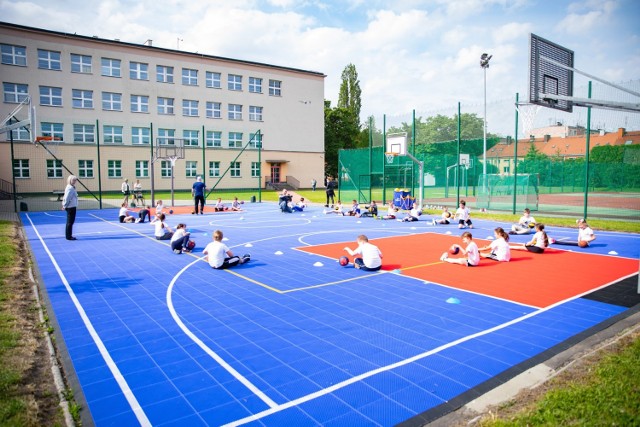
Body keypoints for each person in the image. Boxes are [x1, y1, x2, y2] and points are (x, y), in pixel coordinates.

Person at [62, 175, 78, 241]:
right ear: (70, 180)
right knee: (70, 222)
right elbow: (67, 198)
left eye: (75, 180)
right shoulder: (70, 188)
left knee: (70, 222)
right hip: (70, 207)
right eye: (73, 180)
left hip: (72, 206)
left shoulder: (71, 187)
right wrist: (64, 205)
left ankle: (69, 235)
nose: (74, 181)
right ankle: (69, 236)